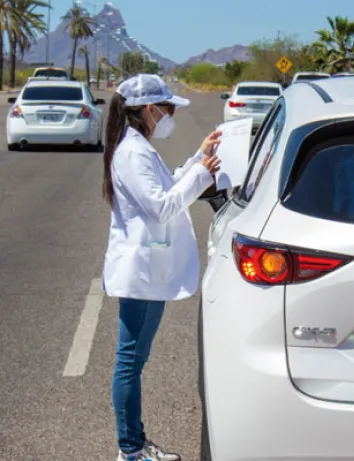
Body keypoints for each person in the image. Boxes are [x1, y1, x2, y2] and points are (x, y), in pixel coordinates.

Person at [101, 74, 222, 461]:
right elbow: (163, 205)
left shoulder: (138, 147)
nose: (171, 116)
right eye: (167, 109)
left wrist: (197, 160)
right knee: (129, 362)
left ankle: (134, 444)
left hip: (148, 268)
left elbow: (166, 185)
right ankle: (130, 450)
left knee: (134, 360)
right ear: (150, 110)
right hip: (139, 273)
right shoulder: (132, 153)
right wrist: (203, 175)